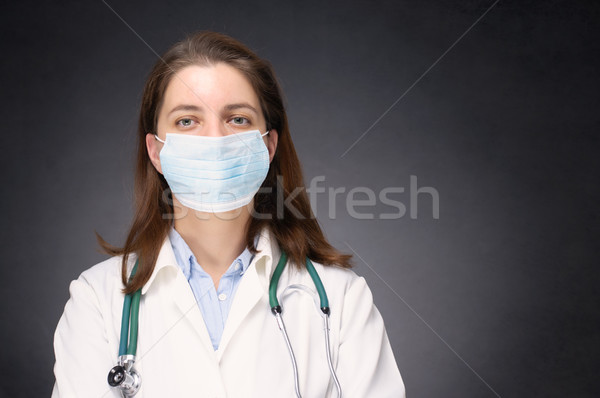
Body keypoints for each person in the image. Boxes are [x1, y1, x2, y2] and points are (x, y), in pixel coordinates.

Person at [51, 31, 406, 398]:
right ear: (156, 151)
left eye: (237, 119)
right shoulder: (97, 299)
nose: (215, 140)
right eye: (187, 121)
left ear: (268, 145)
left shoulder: (341, 297)